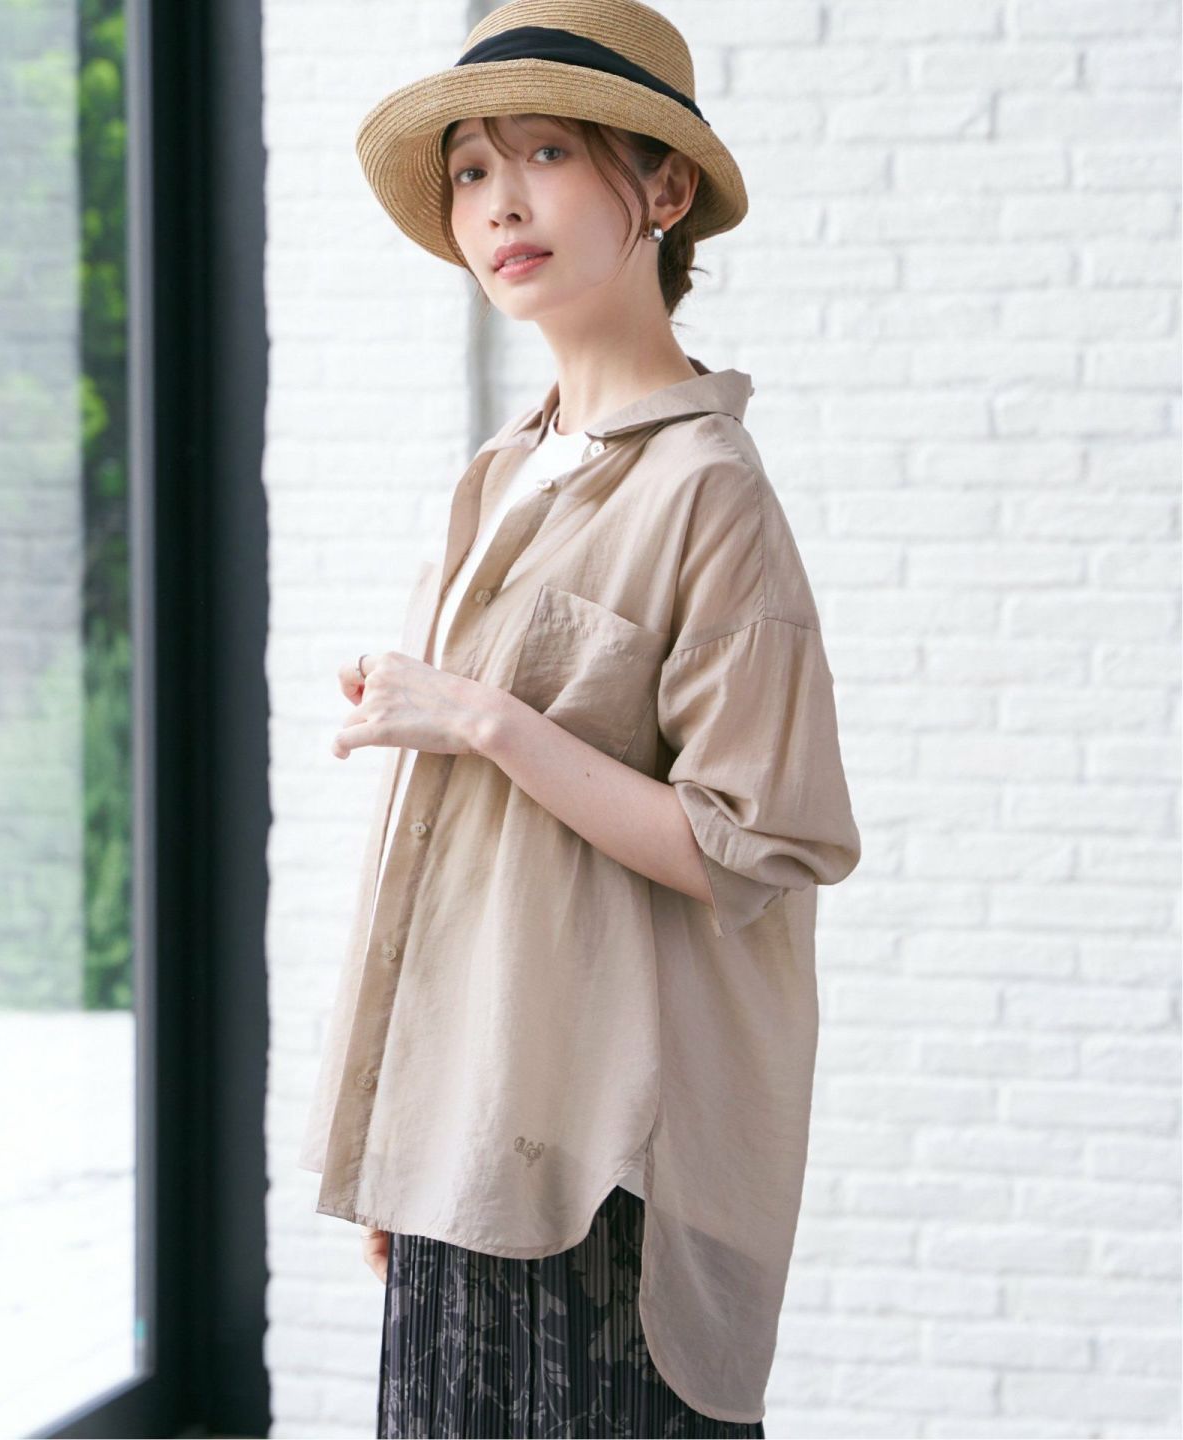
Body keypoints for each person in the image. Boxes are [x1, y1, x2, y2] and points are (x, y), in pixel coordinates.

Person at [298, 2, 863, 1436]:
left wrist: (486, 719)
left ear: (664, 189)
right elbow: (450, 860)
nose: (502, 203)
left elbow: (751, 845)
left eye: (547, 153)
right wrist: (396, 1121)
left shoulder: (708, 488)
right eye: (473, 169)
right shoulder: (502, 472)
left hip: (609, 1172)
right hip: (466, 1138)